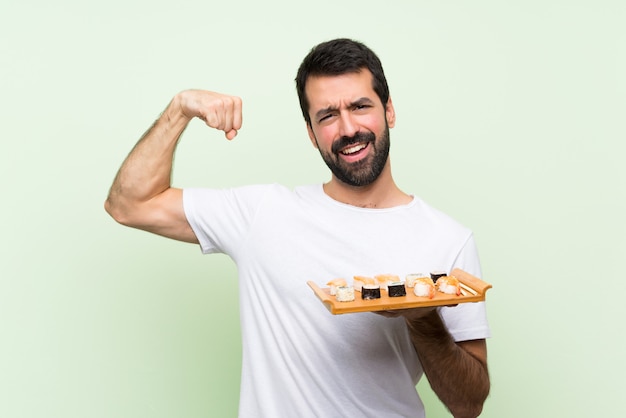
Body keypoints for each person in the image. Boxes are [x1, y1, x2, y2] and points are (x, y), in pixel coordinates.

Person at [105, 38, 491, 418]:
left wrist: (421, 318)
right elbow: (128, 203)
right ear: (311, 133)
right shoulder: (262, 213)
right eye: (327, 116)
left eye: (360, 106)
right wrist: (180, 109)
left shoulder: (448, 240)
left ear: (389, 110)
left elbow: (468, 404)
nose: (348, 128)